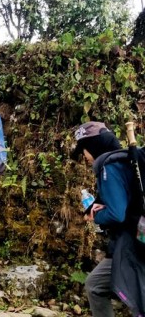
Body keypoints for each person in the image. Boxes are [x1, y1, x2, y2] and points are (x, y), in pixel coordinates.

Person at [71, 121, 144, 317]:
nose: (84, 157)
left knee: (96, 286)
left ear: (94, 146)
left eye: (84, 150)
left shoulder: (108, 168)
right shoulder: (126, 160)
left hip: (132, 245)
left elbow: (116, 213)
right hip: (136, 238)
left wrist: (94, 217)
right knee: (97, 285)